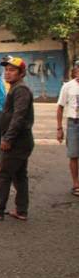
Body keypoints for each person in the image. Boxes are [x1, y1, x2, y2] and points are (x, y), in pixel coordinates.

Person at [0, 56, 34, 222]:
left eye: (12, 70)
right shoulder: (15, 88)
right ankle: (21, 210)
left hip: (17, 141)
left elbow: (19, 116)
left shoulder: (21, 90)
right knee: (19, 175)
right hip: (20, 140)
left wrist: (8, 138)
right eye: (6, 70)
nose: (7, 73)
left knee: (3, 175)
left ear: (21, 73)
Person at [56, 61, 79, 196]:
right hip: (73, 123)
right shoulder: (68, 87)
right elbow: (60, 107)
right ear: (76, 71)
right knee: (74, 155)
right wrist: (59, 128)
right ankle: (76, 184)